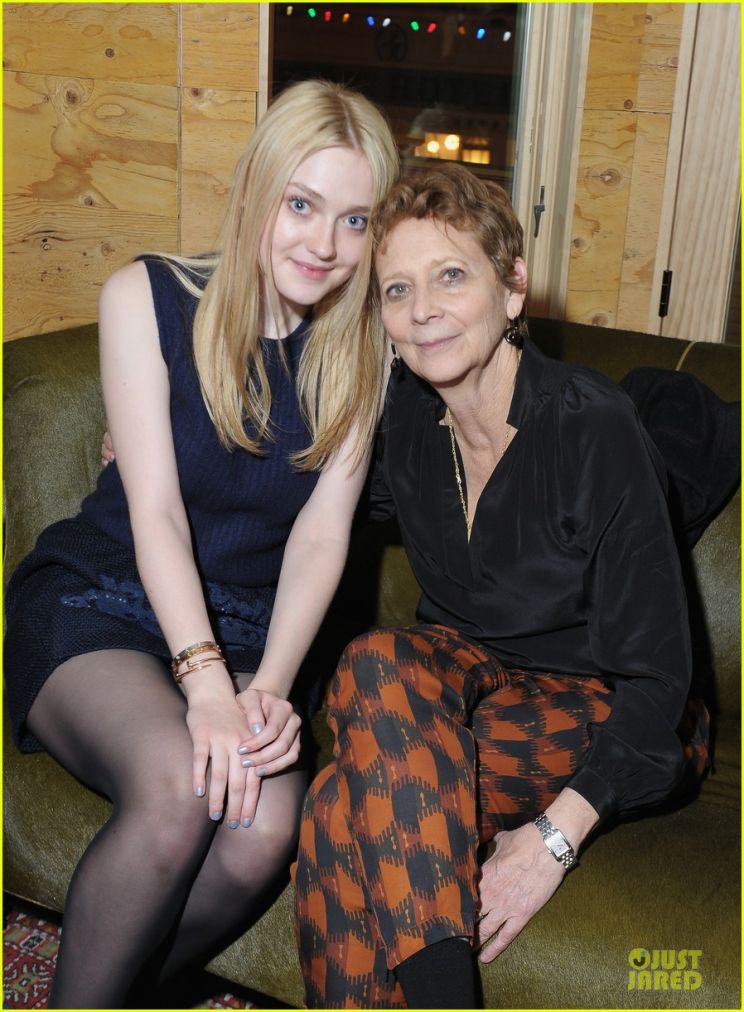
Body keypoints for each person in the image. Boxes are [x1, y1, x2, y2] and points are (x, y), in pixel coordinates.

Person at [3, 79, 398, 1009]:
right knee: (181, 785)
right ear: (256, 189)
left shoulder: (363, 351)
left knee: (264, 833)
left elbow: (322, 537)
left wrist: (267, 689)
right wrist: (205, 684)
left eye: (354, 220)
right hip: (106, 593)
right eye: (301, 205)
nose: (324, 244)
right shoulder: (145, 296)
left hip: (255, 631)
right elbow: (158, 515)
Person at [293, 163, 694, 1009]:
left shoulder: (590, 429)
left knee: (335, 806)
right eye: (398, 289)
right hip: (472, 677)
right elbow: (300, 495)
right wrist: (164, 451)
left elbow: (660, 682)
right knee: (373, 659)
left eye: (450, 276)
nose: (422, 309)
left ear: (512, 288)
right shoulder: (407, 416)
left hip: (613, 703)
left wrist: (553, 839)